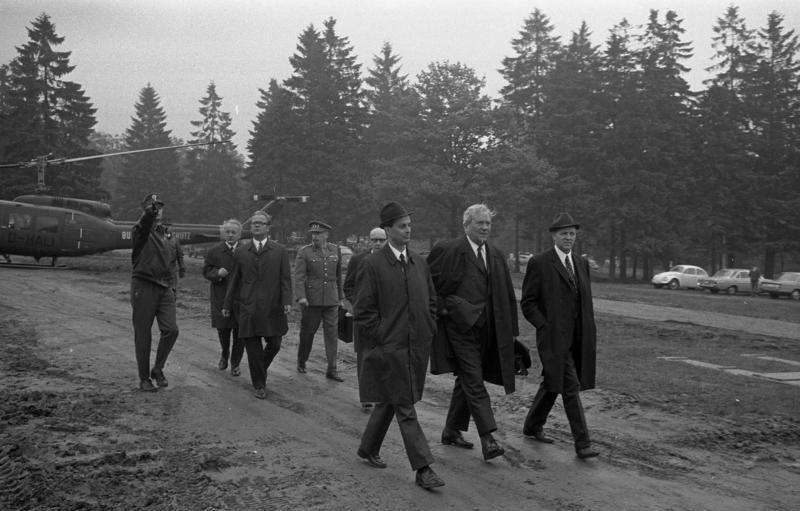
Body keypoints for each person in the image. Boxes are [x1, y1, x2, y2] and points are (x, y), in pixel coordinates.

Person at [355, 202, 444, 490]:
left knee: (393, 399)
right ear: (388, 229)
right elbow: (364, 310)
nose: (408, 230)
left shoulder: (419, 262)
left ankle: (368, 447)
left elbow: (431, 301)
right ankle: (423, 468)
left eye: (409, 225)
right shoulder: (373, 264)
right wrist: (383, 335)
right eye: (402, 226)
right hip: (389, 348)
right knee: (404, 404)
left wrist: (429, 327)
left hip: (417, 347)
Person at [427, 203, 519, 462]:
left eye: (488, 223)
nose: (485, 228)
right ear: (466, 225)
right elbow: (429, 286)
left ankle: (451, 430)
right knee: (474, 381)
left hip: (488, 330)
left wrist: (511, 330)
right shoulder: (449, 250)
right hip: (459, 330)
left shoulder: (496, 254)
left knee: (467, 379)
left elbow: (507, 295)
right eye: (480, 223)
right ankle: (488, 437)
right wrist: (446, 310)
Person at [520, 212, 599, 459]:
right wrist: (544, 326)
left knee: (553, 381)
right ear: (554, 236)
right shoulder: (540, 263)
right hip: (554, 338)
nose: (568, 238)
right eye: (564, 233)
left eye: (572, 234)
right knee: (570, 386)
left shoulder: (581, 263)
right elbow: (528, 303)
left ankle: (532, 425)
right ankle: (582, 443)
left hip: (579, 338)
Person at [222, 211, 292, 399]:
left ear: (268, 228)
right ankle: (259, 384)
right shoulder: (242, 251)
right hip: (248, 308)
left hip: (273, 308)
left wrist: (286, 301)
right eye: (254, 223)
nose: (256, 226)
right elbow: (234, 280)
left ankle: (259, 369)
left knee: (275, 344)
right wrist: (227, 304)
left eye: (260, 223)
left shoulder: (279, 251)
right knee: (253, 348)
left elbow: (285, 279)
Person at [130, 193, 179, 392]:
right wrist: (148, 214)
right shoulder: (141, 230)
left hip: (164, 286)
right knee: (143, 334)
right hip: (144, 285)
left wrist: (172, 286)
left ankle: (157, 369)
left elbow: (171, 262)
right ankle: (144, 378)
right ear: (146, 209)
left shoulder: (166, 234)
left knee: (171, 330)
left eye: (159, 207)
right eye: (153, 207)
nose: (157, 210)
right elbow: (144, 224)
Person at [344, 227, 388, 412]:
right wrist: (359, 306)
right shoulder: (358, 259)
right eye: (374, 240)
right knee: (364, 357)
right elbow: (349, 286)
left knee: (385, 357)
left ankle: (384, 394)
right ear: (368, 241)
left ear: (386, 240)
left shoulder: (391, 259)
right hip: (363, 318)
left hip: (386, 318)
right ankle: (367, 397)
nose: (377, 243)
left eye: (381, 240)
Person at [294, 220, 345, 381]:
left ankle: (332, 369)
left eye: (318, 234)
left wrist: (341, 298)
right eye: (313, 234)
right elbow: (299, 277)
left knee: (332, 334)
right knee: (307, 333)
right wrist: (301, 296)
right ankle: (302, 360)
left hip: (331, 300)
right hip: (311, 301)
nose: (315, 237)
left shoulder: (335, 250)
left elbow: (338, 276)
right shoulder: (305, 252)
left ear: (326, 235)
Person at [203, 219, 244, 376]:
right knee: (223, 329)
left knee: (240, 332)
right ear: (222, 233)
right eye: (227, 232)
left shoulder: (246, 250)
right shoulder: (215, 251)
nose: (230, 235)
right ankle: (224, 354)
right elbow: (206, 271)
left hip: (240, 297)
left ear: (239, 234)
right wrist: (217, 274)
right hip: (221, 295)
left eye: (234, 232)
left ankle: (235, 363)